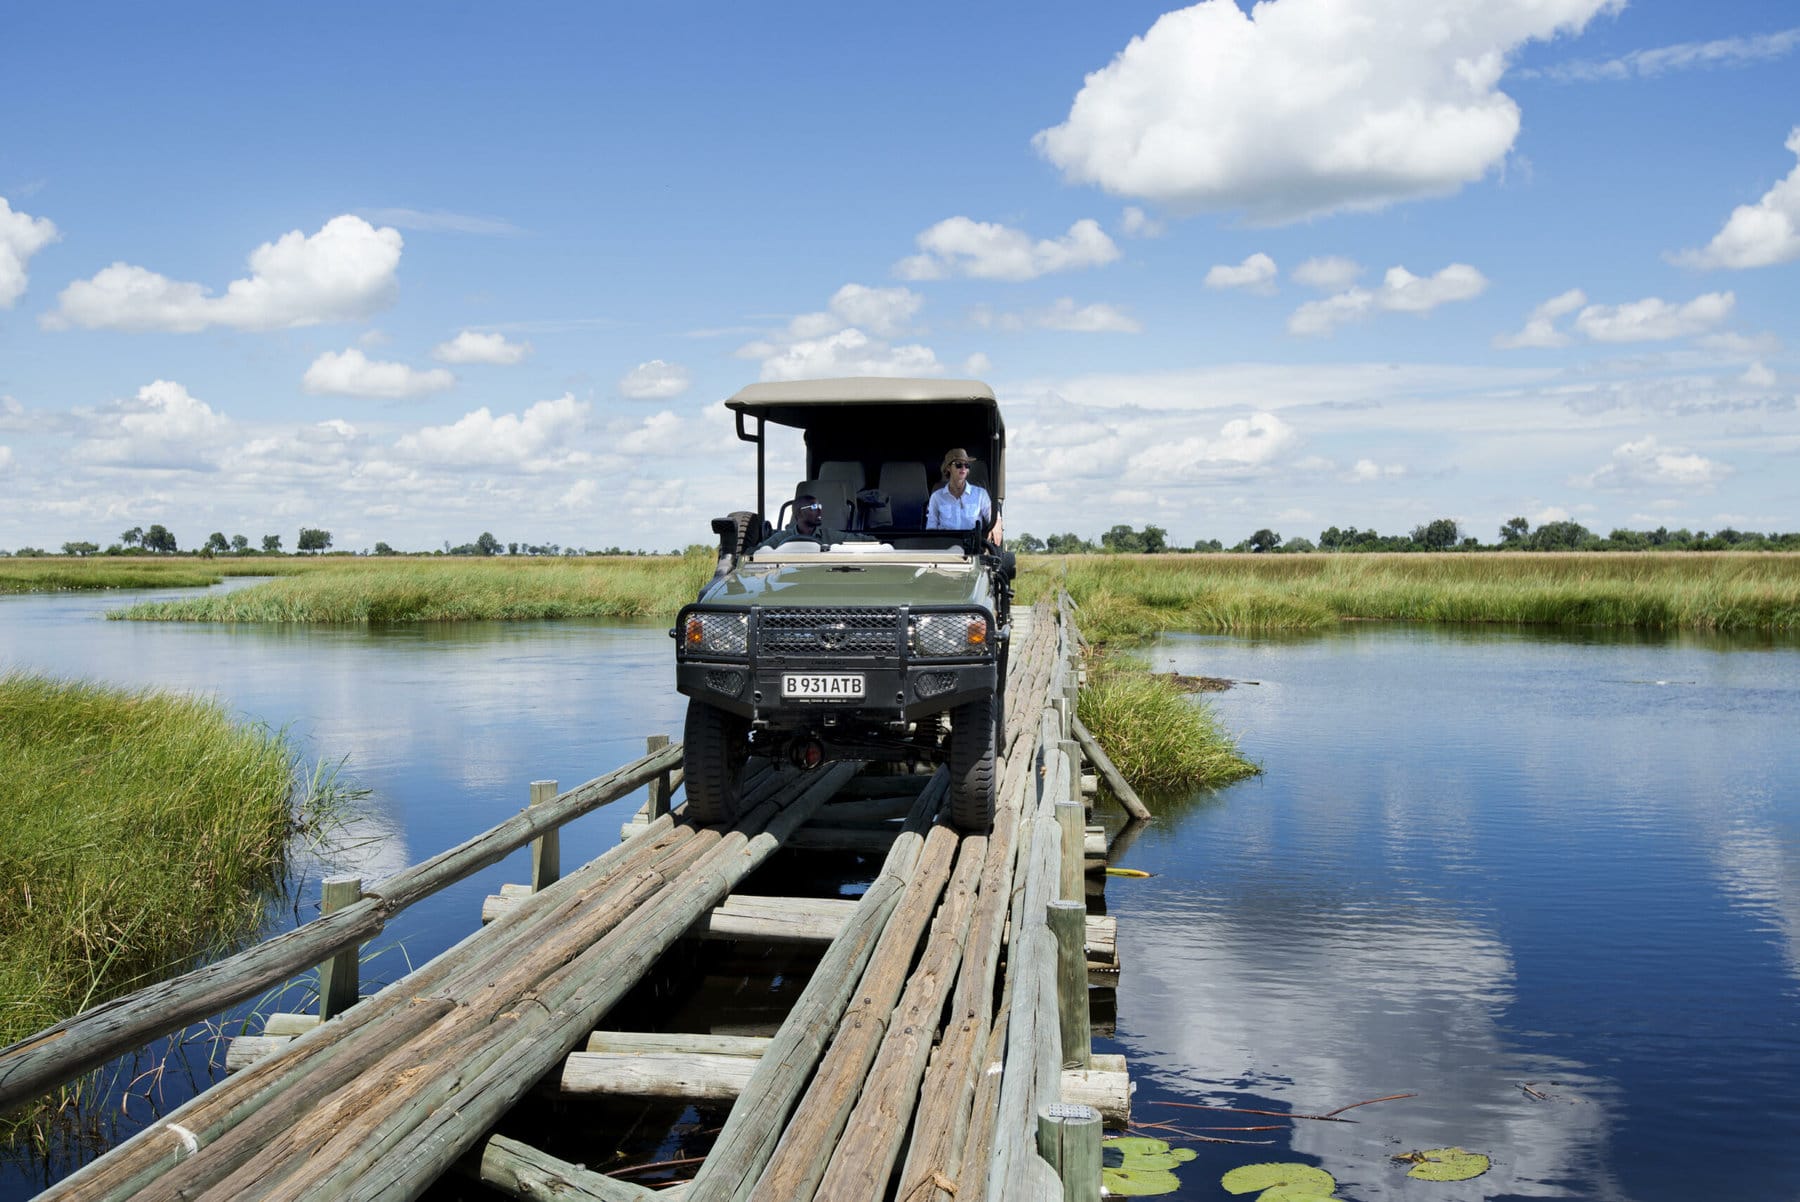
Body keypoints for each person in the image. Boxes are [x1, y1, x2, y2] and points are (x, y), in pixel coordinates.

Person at [925, 448, 992, 533]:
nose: (963, 468)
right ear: (948, 467)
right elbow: (931, 529)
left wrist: (997, 523)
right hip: (944, 544)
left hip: (972, 545)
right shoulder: (936, 497)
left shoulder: (981, 494)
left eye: (966, 465)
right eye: (958, 464)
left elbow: (992, 518)